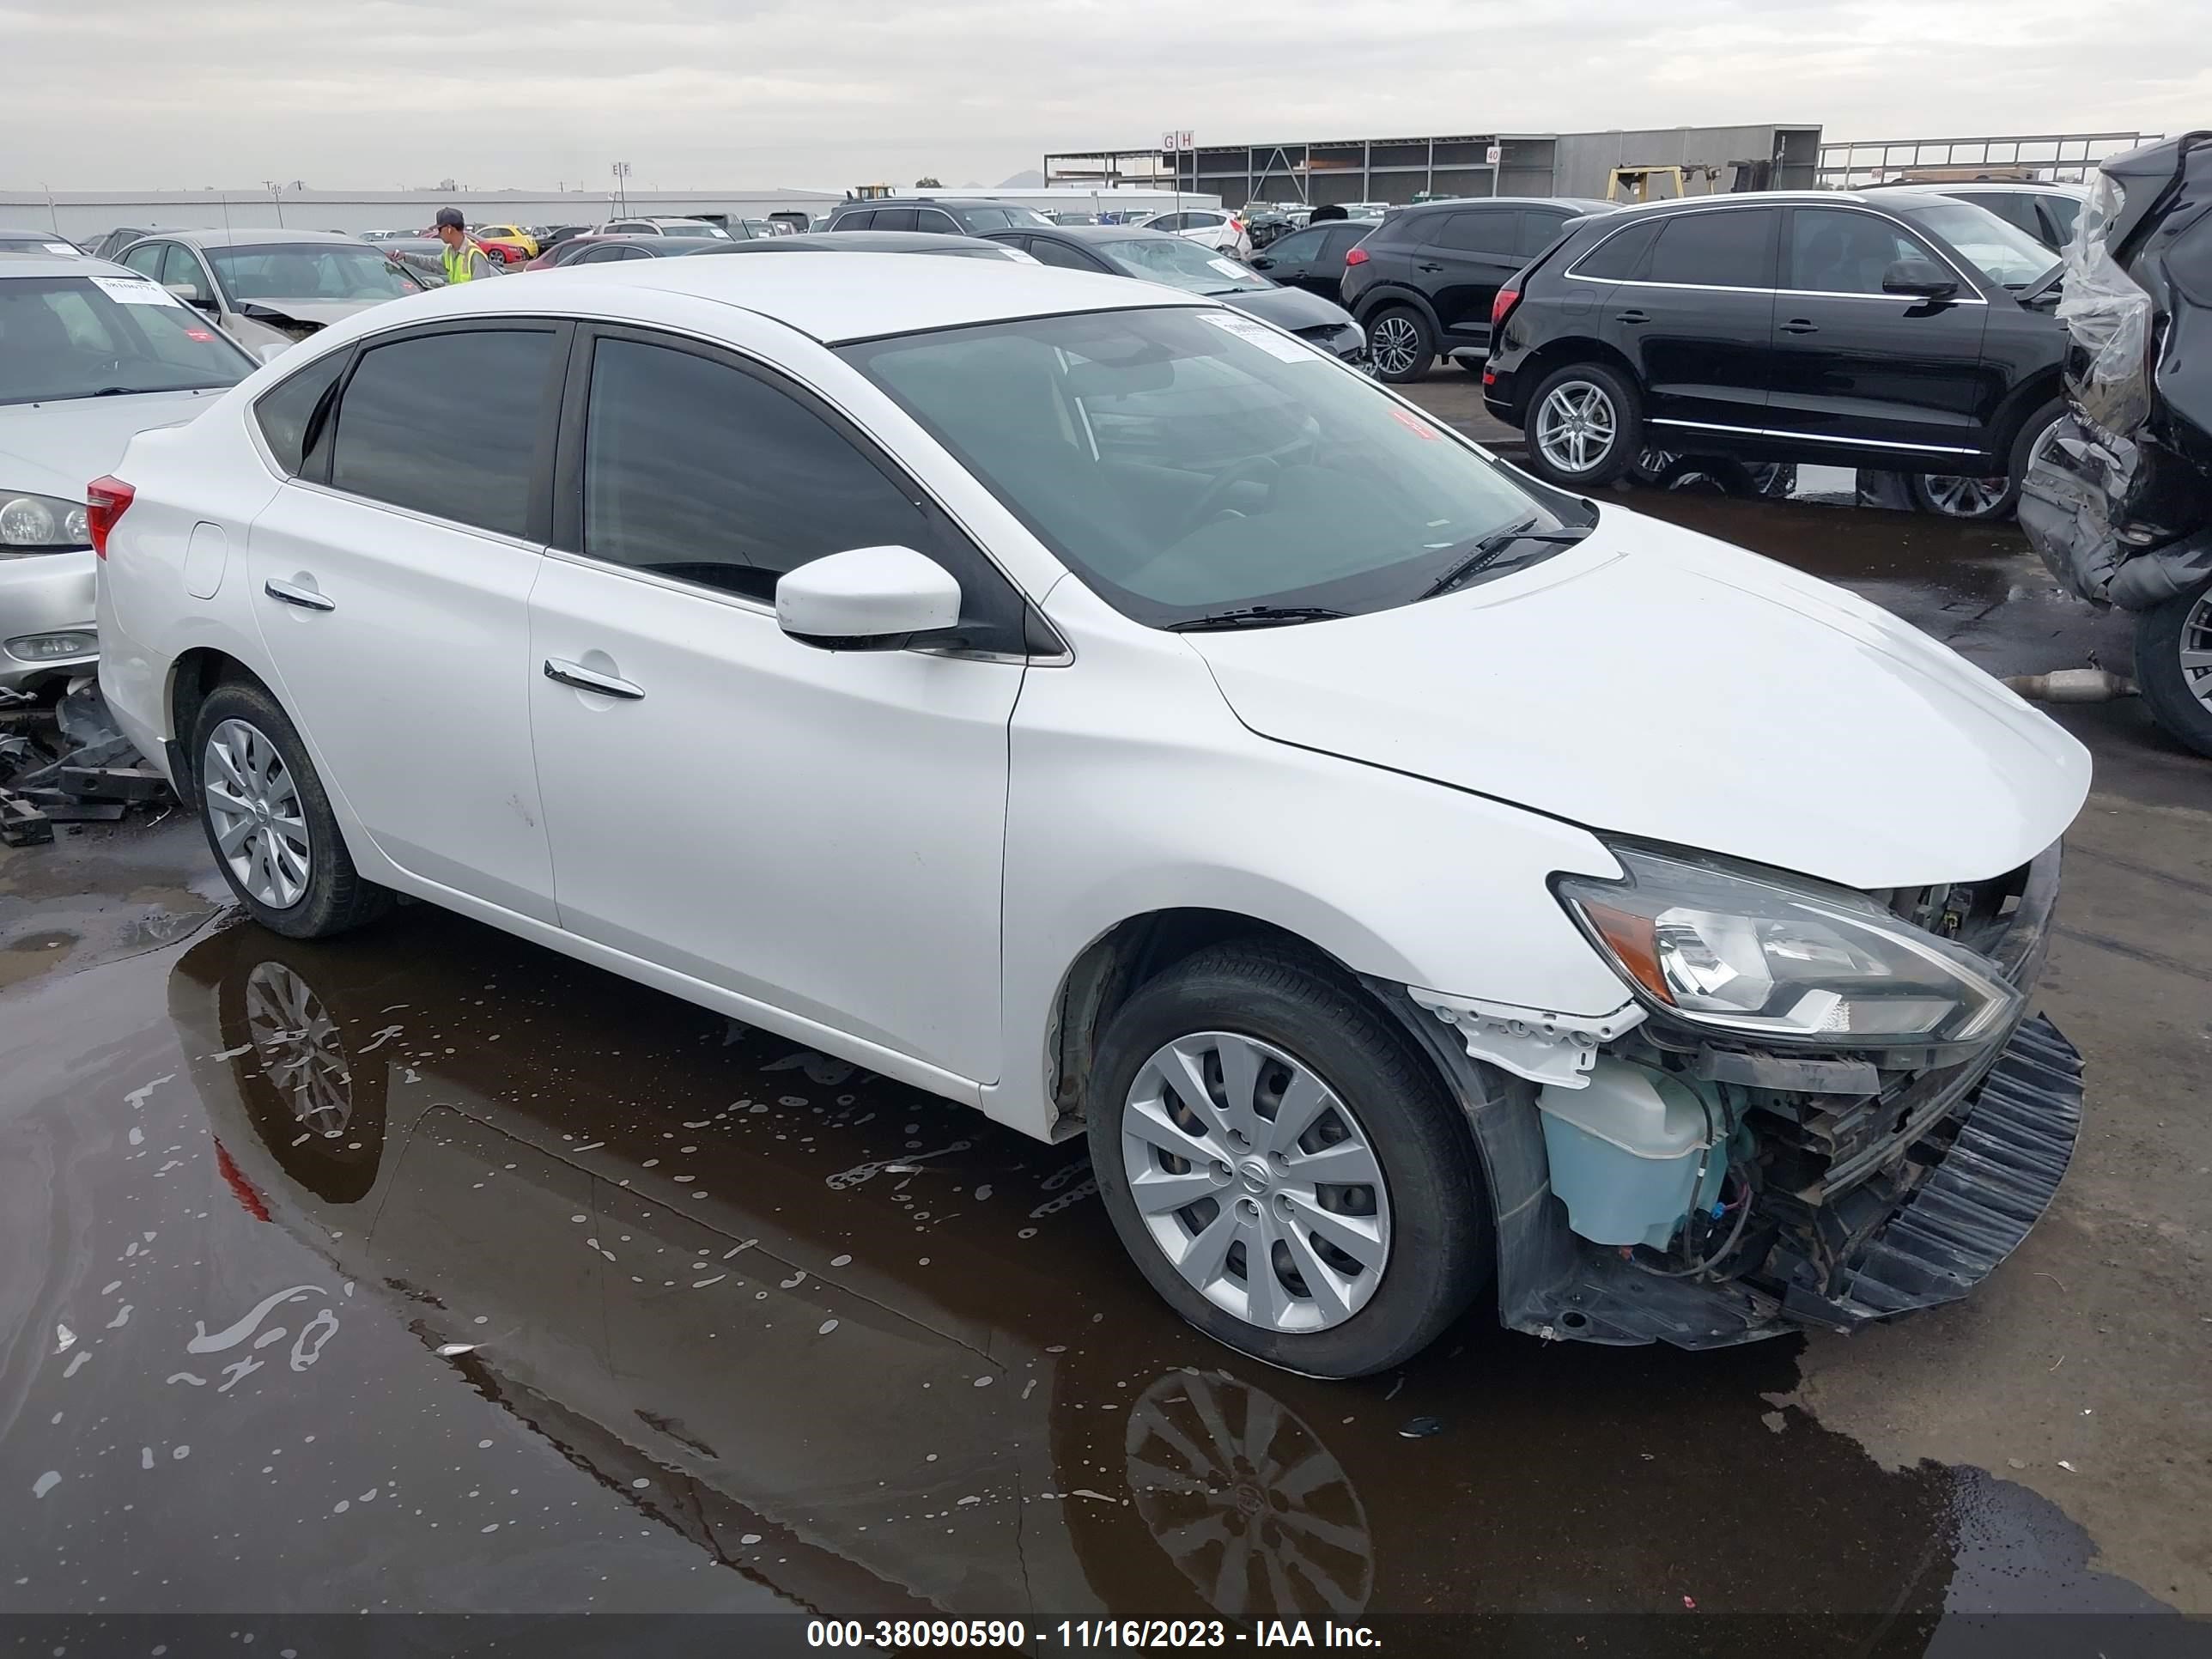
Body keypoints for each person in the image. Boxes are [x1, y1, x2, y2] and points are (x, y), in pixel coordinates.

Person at [387, 208, 500, 285]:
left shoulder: (474, 255)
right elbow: (431, 263)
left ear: (449, 228)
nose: (437, 233)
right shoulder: (450, 252)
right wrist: (405, 256)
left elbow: (481, 291)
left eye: (439, 229)